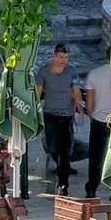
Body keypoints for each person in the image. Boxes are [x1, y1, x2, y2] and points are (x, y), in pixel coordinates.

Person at [35, 44, 80, 195]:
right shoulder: (44, 71)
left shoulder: (71, 70)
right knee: (52, 146)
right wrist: (35, 111)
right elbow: (38, 92)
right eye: (61, 57)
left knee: (65, 151)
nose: (64, 60)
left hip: (66, 115)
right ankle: (58, 164)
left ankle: (63, 184)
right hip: (50, 115)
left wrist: (78, 108)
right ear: (54, 56)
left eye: (66, 58)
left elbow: (76, 91)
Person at [83, 55, 111, 200]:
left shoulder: (94, 74)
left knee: (96, 157)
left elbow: (89, 101)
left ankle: (92, 188)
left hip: (99, 119)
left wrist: (92, 114)